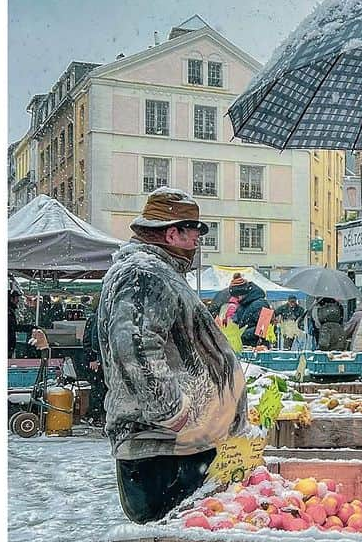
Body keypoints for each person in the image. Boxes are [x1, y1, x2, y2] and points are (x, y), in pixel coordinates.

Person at [97, 188, 248, 523]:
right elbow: (134, 347)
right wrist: (173, 412)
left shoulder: (155, 271)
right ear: (173, 233)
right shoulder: (144, 274)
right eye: (194, 232)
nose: (197, 242)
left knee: (181, 541)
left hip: (177, 446)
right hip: (163, 448)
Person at [80, 305, 106, 425]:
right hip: (98, 361)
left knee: (98, 388)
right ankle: (96, 416)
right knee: (99, 388)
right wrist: (95, 358)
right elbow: (93, 340)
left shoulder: (94, 318)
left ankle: (95, 416)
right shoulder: (99, 318)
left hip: (98, 360)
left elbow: (87, 340)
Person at [232, 279, 269, 347]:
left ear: (243, 293)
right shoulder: (242, 305)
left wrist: (242, 333)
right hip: (244, 345)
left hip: (257, 346)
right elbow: (238, 321)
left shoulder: (261, 303)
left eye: (236, 296)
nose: (235, 299)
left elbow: (264, 328)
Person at [8, 289, 21, 358]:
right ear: (11, 299)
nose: (18, 300)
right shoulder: (8, 311)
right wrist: (30, 327)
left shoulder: (10, 310)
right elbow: (13, 327)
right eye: (16, 298)